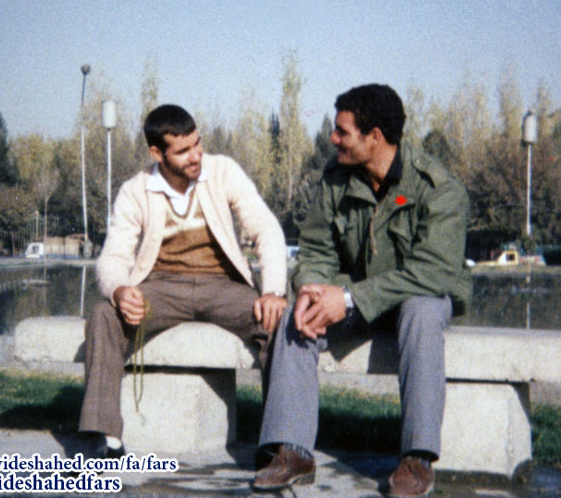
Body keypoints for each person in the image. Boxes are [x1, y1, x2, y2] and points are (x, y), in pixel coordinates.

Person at [252, 84, 472, 497]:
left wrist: (350, 298)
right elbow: (317, 249)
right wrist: (313, 288)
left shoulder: (438, 188)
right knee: (296, 315)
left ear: (375, 137)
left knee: (423, 312)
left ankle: (417, 458)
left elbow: (433, 271)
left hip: (417, 296)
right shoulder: (335, 179)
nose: (332, 138)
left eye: (342, 131)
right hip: (354, 296)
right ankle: (292, 452)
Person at [79, 104, 288, 459]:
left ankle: (278, 441)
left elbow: (266, 229)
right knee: (104, 314)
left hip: (223, 286)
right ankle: (103, 437)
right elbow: (114, 255)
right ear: (157, 154)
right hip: (161, 288)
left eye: (197, 143)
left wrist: (272, 291)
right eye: (183, 151)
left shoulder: (223, 171)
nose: (196, 155)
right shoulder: (135, 190)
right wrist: (119, 290)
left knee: (278, 320)